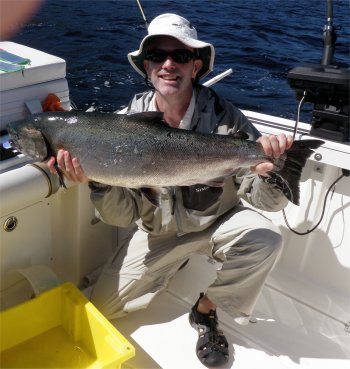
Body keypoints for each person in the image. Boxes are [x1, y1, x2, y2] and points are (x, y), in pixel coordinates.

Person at [47, 13, 293, 368]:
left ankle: (206, 310)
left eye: (179, 57)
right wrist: (98, 179)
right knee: (101, 311)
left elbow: (264, 202)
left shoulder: (226, 120)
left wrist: (271, 171)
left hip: (216, 222)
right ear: (146, 67)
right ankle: (171, 265)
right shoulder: (123, 125)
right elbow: (122, 215)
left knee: (266, 238)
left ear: (195, 67)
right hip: (158, 234)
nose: (168, 65)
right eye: (158, 56)